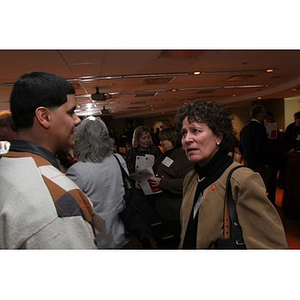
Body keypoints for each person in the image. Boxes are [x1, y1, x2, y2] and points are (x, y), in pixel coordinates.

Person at [0, 71, 97, 249]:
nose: (77, 120)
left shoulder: (6, 166)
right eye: (71, 112)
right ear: (44, 117)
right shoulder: (59, 200)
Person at [174, 100, 288, 249]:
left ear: (219, 137)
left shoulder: (241, 180)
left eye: (196, 130)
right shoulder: (191, 178)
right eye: (184, 133)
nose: (187, 139)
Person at [66, 117, 128, 249]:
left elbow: (72, 212)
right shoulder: (118, 159)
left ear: (81, 140)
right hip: (123, 230)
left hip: (97, 238)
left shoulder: (76, 171)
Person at [148, 127, 193, 249]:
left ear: (174, 140)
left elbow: (187, 183)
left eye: (165, 140)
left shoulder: (183, 158)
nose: (161, 143)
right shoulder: (164, 155)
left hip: (174, 211)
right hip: (162, 208)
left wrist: (164, 182)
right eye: (161, 140)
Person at [239, 104, 272, 200]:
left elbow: (241, 147)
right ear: (260, 115)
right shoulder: (260, 128)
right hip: (259, 164)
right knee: (261, 189)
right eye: (264, 114)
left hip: (247, 162)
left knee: (250, 188)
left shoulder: (245, 129)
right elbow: (261, 148)